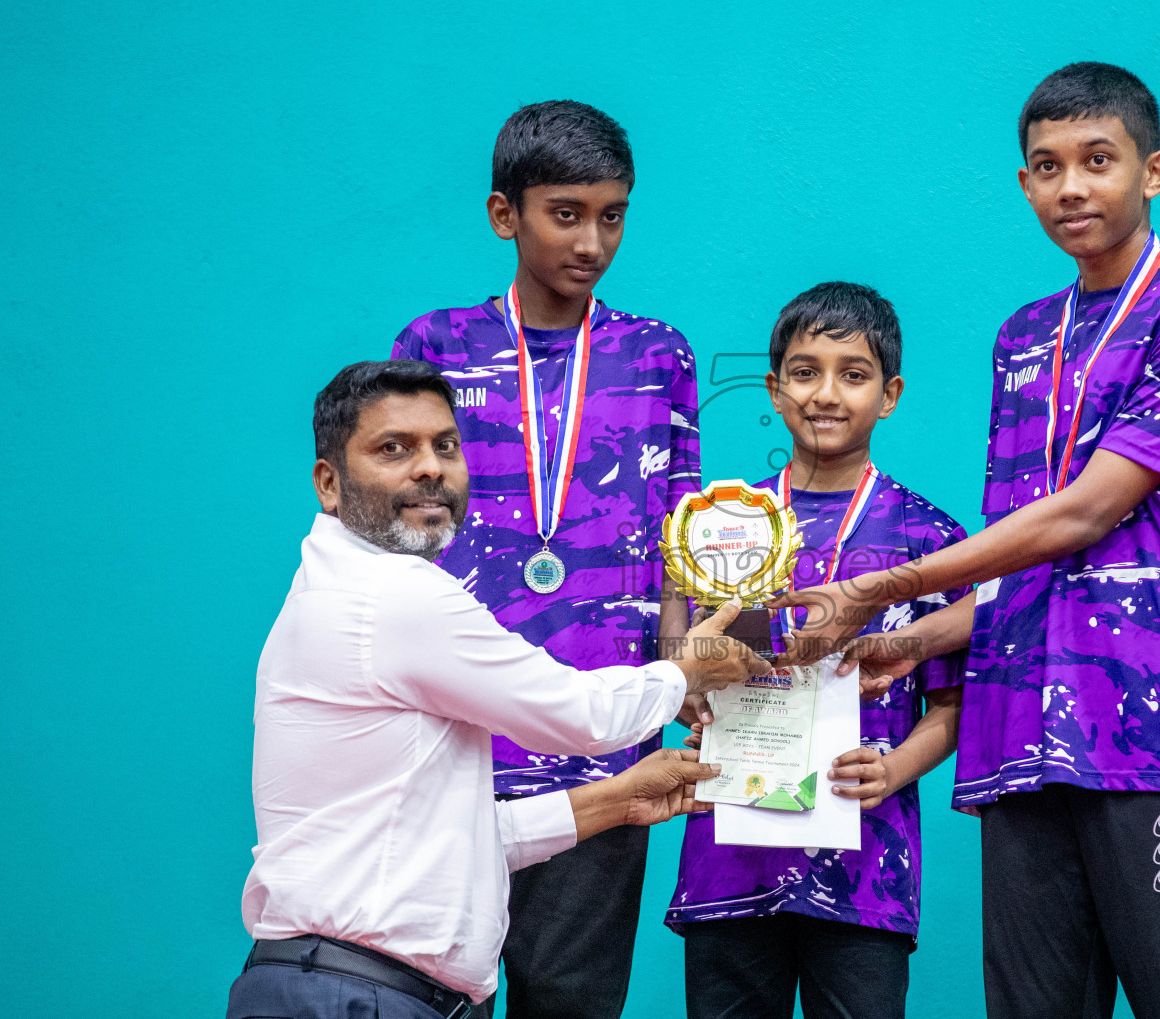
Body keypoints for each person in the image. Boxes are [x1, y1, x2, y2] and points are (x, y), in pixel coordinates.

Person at [772, 64, 1160, 1017]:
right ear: (1025, 182)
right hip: (1019, 732)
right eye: (1046, 166)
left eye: (1097, 160)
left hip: (1158, 730)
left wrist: (883, 589)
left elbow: (1085, 513)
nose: (1071, 186)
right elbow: (1027, 561)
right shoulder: (1023, 337)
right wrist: (909, 641)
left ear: (1152, 170)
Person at [227, 360, 767, 1019]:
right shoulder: (392, 595)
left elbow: (450, 842)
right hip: (358, 997)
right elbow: (581, 716)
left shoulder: (328, 596)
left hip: (332, 986)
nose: (431, 468)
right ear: (329, 483)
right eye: (394, 449)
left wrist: (618, 801)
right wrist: (686, 671)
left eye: (445, 446)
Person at [389, 101, 700, 1019]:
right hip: (459, 744)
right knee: (444, 994)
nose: (593, 241)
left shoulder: (659, 354)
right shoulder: (434, 347)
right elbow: (399, 532)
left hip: (604, 747)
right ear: (505, 215)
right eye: (566, 213)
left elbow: (682, 525)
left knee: (573, 999)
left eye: (612, 215)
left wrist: (681, 667)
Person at [666, 283, 971, 1019]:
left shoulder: (929, 540)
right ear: (774, 389)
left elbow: (953, 703)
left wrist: (895, 767)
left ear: (889, 394)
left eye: (853, 374)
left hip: (866, 866)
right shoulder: (722, 525)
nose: (825, 393)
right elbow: (684, 655)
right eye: (804, 372)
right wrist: (689, 692)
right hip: (728, 855)